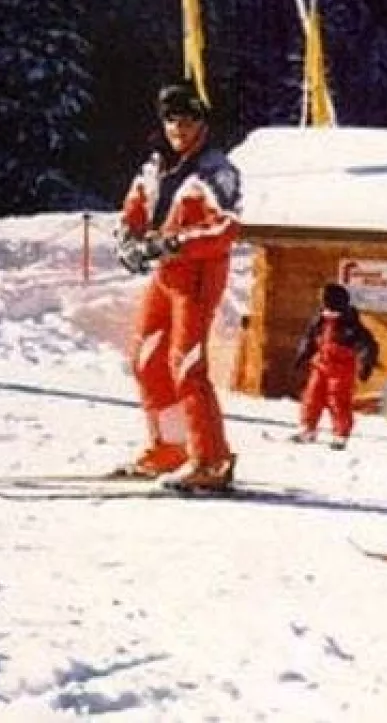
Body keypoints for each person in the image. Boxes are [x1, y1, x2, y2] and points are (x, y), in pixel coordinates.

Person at [114, 81, 242, 491]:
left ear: (202, 122)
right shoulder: (155, 166)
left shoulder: (215, 169)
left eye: (187, 121)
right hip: (165, 274)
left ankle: (211, 458)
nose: (179, 129)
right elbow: (134, 208)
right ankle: (170, 447)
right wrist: (129, 241)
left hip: (198, 273)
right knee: (146, 359)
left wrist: (173, 242)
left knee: (185, 364)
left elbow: (225, 226)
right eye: (171, 120)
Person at [290, 282, 379, 449]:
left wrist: (366, 364)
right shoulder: (320, 319)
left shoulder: (350, 323)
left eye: (325, 298)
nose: (322, 302)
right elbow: (309, 339)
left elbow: (368, 345)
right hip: (320, 365)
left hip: (341, 369)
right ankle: (308, 429)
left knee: (338, 400)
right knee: (311, 396)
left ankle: (340, 434)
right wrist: (302, 355)